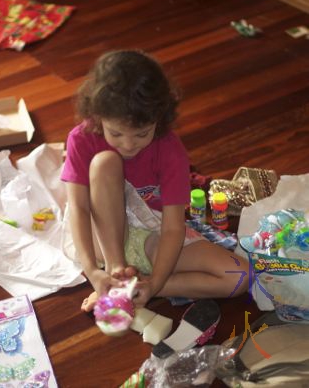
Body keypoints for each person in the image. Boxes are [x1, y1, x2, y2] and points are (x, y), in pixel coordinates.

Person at [61, 49, 249, 311]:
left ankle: (130, 290)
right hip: (101, 237)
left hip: (153, 235)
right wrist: (92, 270)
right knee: (106, 162)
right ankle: (116, 274)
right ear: (96, 114)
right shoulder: (81, 139)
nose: (128, 145)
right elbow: (79, 209)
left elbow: (173, 228)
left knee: (240, 276)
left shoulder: (169, 149)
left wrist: (156, 283)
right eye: (116, 133)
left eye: (141, 134)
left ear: (159, 120)